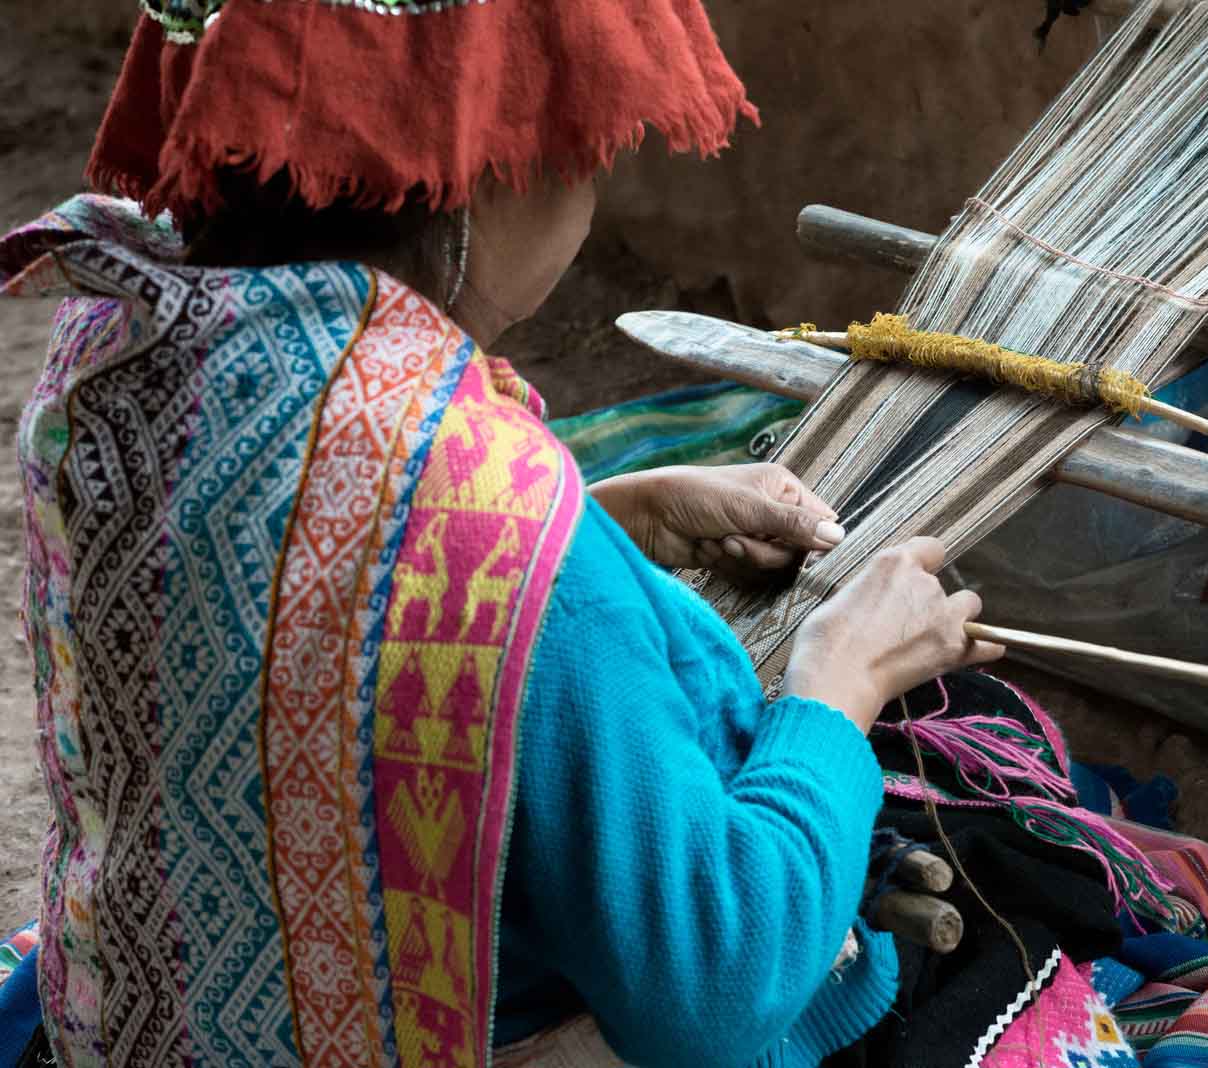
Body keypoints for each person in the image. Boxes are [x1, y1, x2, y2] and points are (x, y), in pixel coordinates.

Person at [0, 1, 1004, 1065]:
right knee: (1002, 876)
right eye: (587, 142)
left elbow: (298, 583)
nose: (592, 176)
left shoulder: (122, 351)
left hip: (141, 1026)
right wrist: (838, 680)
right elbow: (716, 990)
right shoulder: (489, 512)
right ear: (489, 164)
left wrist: (618, 512)